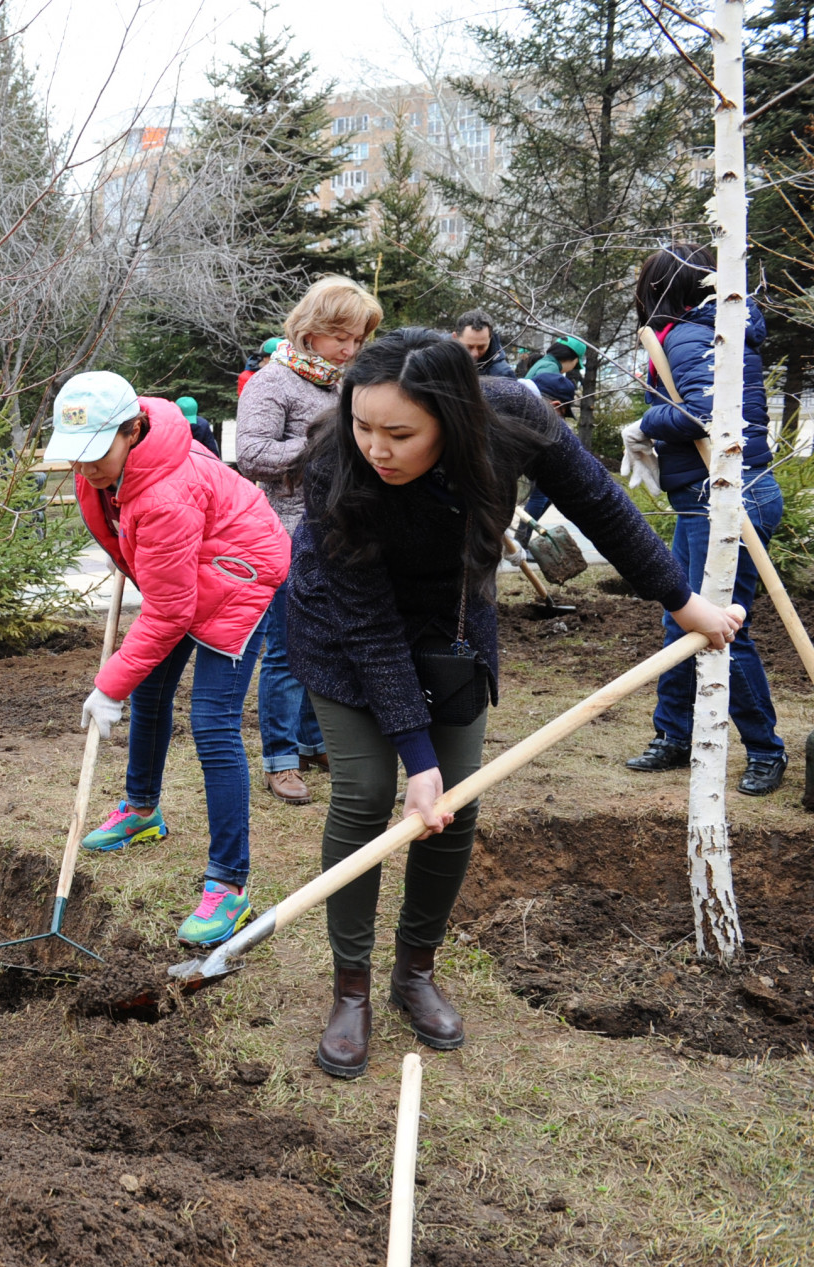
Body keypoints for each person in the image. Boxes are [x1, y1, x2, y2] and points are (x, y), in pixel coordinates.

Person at [286, 328, 740, 1079]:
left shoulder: (515, 419)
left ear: (454, 421)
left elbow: (600, 502)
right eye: (364, 425)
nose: (377, 447)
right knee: (367, 796)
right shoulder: (336, 462)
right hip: (344, 630)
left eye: (400, 433)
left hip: (454, 626)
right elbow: (368, 628)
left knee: (455, 804)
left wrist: (682, 600)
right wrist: (415, 759)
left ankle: (415, 973)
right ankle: (353, 988)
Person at [53, 372, 290, 947]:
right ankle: (141, 810)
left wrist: (109, 686)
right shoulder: (105, 472)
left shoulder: (164, 494)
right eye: (75, 458)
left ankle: (228, 886)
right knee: (153, 691)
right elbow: (149, 568)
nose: (84, 469)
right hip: (191, 572)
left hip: (241, 577)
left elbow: (169, 612)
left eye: (95, 455)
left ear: (133, 431)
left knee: (212, 726)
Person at [624, 243, 788, 795]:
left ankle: (766, 750)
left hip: (725, 500)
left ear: (663, 290)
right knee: (681, 617)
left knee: (723, 632)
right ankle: (674, 734)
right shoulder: (712, 330)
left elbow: (702, 415)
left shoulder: (696, 336)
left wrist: (645, 422)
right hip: (705, 497)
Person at [236, 276, 385, 803]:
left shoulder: (342, 382)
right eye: (341, 336)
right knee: (285, 651)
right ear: (311, 329)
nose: (350, 349)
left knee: (330, 643)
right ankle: (280, 759)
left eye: (358, 340)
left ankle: (313, 741)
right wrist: (318, 447)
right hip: (283, 535)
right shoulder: (271, 382)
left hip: (340, 534)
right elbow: (251, 453)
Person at [514, 372, 578, 536]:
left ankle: (521, 539)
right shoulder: (531, 421)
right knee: (540, 495)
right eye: (562, 415)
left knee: (544, 495)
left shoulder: (519, 406)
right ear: (556, 405)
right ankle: (522, 538)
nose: (561, 421)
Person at [451, 310, 516, 378]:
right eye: (469, 347)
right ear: (455, 337)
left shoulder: (502, 374)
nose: (475, 354)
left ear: (490, 339)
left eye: (481, 347)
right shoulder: (440, 352)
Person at [519, 336, 585, 382]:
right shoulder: (551, 368)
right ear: (572, 359)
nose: (572, 368)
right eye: (576, 364)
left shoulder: (545, 363)